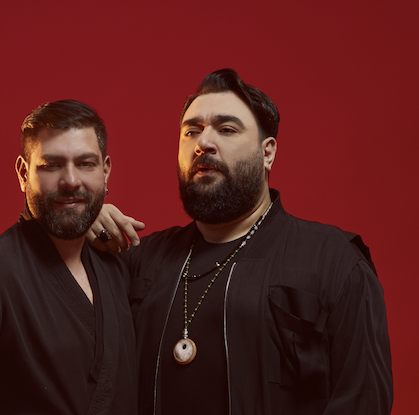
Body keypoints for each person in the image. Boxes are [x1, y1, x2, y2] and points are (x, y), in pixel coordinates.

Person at [90, 69, 392, 414]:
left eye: (227, 129)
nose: (203, 143)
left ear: (268, 153)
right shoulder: (139, 259)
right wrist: (78, 227)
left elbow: (363, 401)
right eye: (191, 131)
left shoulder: (335, 262)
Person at [0, 100, 137, 415]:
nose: (71, 181)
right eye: (51, 165)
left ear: (105, 171)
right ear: (24, 173)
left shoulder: (117, 265)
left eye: (85, 164)